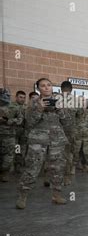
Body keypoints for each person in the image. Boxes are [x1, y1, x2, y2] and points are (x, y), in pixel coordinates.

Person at [16, 78, 68, 209]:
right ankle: (23, 196)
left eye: (49, 85)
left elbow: (68, 122)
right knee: (32, 168)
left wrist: (60, 109)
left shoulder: (60, 101)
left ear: (52, 87)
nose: (46, 88)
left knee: (58, 168)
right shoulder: (33, 102)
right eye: (43, 86)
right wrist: (39, 109)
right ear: (38, 89)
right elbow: (29, 123)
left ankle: (56, 195)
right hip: (38, 141)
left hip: (57, 140)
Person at [0, 89, 23, 182]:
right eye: (4, 95)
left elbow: (20, 120)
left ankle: (3, 173)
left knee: (9, 157)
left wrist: (7, 120)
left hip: (9, 135)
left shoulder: (14, 108)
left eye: (7, 95)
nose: (6, 97)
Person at [11, 90, 27, 174]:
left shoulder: (26, 107)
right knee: (15, 149)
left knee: (22, 150)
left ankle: (19, 166)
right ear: (16, 97)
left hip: (23, 132)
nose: (22, 99)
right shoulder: (11, 106)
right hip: (14, 132)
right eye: (20, 97)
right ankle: (12, 167)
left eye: (24, 98)